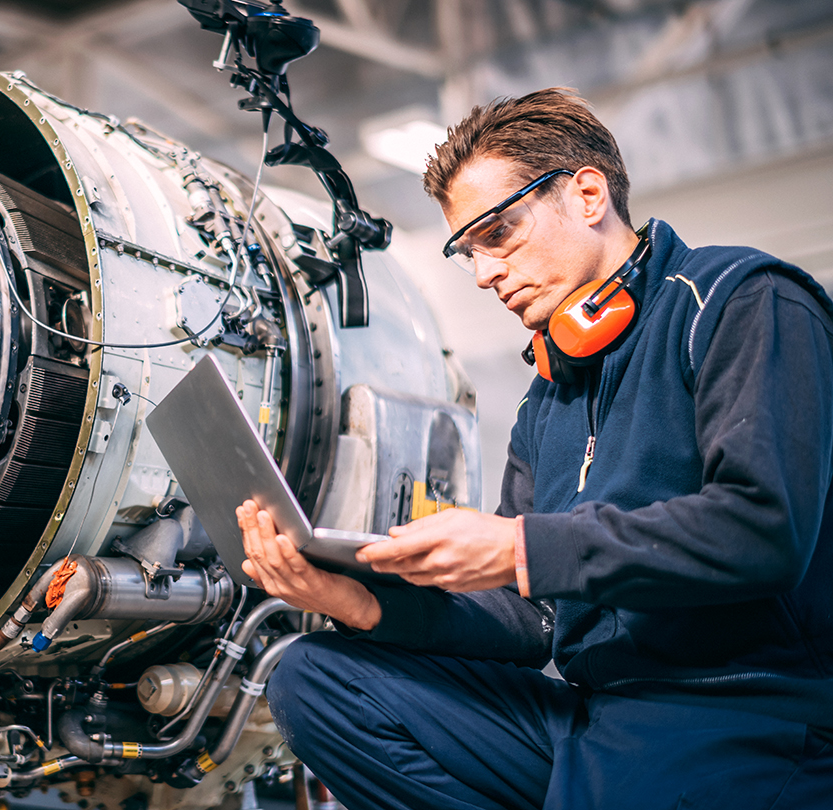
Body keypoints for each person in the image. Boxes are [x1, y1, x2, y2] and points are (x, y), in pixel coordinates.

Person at [237, 88, 833, 809]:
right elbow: (530, 621)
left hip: (746, 716)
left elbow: (762, 530)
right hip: (597, 715)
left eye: (498, 233)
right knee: (314, 680)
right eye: (468, 252)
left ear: (587, 194)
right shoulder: (549, 393)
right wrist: (361, 604)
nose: (485, 272)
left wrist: (520, 546)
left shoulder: (743, 301)